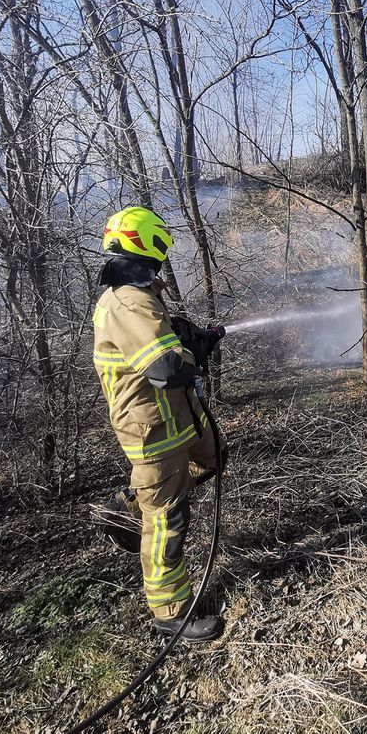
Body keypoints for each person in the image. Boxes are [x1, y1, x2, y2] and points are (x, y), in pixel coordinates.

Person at [92, 206, 225, 642]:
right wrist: (193, 353)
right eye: (161, 243)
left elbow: (164, 345)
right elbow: (167, 368)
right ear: (147, 243)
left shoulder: (140, 291)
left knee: (212, 457)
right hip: (150, 428)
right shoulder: (126, 301)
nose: (165, 252)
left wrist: (188, 336)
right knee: (168, 516)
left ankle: (132, 500)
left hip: (177, 417)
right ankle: (170, 611)